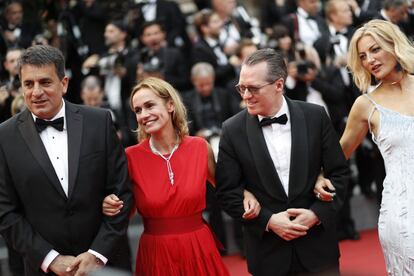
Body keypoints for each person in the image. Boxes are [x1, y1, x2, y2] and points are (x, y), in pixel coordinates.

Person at [102, 77, 261, 275]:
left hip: (199, 247)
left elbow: (226, 189)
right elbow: (125, 208)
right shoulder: (130, 157)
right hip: (156, 253)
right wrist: (110, 203)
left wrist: (246, 193)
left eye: (150, 105)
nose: (144, 115)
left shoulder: (200, 148)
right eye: (138, 110)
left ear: (170, 105)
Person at [0, 45, 133, 276]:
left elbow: (122, 191)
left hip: (107, 263)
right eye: (28, 84)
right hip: (43, 269)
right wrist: (51, 259)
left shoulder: (99, 121)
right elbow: (5, 211)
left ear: (64, 83)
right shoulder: (4, 136)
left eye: (45, 82)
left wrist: (97, 254)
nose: (36, 92)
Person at [215, 48, 350, 275]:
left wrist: (317, 214)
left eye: (253, 88)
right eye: (242, 88)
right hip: (268, 256)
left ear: (279, 85)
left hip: (318, 250)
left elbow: (340, 175)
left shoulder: (315, 116)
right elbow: (227, 192)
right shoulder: (232, 129)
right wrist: (268, 221)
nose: (246, 95)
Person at [314, 19, 414, 275]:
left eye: (375, 49)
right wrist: (318, 178)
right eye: (363, 56)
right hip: (402, 214)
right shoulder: (366, 105)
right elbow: (338, 154)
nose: (370, 59)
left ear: (393, 45)